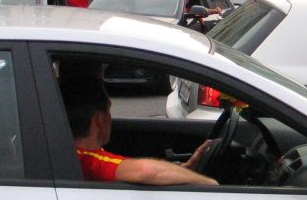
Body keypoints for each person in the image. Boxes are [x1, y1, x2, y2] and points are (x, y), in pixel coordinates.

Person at [59, 75, 217, 186]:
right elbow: (147, 171)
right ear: (99, 119)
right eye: (109, 110)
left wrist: (184, 169)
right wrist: (209, 184)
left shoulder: (66, 153)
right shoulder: (83, 159)